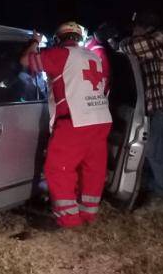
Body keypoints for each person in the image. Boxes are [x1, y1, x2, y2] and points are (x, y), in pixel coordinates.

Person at [21, 22, 112, 227]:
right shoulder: (92, 56)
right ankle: (88, 213)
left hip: (76, 120)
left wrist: (34, 41)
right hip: (100, 119)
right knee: (93, 168)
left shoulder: (60, 55)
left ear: (58, 39)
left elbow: (26, 61)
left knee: (58, 168)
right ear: (78, 38)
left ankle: (68, 219)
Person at [118, 12, 163, 197]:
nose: (133, 32)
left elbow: (128, 47)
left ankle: (160, 195)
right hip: (159, 109)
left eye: (135, 28)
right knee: (153, 152)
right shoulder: (160, 42)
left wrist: (121, 42)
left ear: (145, 27)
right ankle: (150, 190)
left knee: (155, 152)